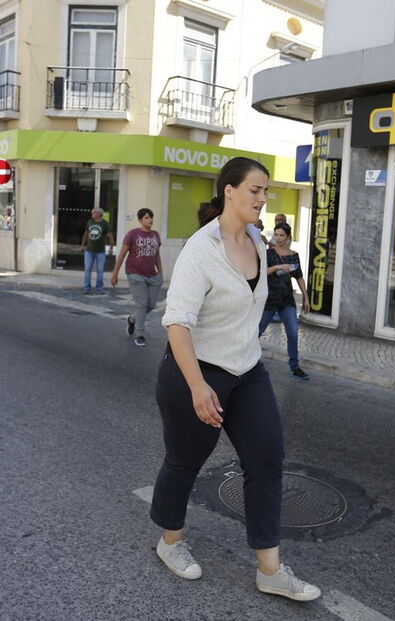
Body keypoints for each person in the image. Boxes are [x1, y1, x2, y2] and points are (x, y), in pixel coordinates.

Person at [149, 157, 321, 602]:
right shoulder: (200, 250)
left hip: (247, 371)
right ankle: (170, 541)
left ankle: (271, 569)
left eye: (266, 192)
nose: (263, 199)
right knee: (185, 462)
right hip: (197, 372)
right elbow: (177, 323)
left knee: (266, 460)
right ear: (229, 191)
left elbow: (248, 297)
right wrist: (197, 386)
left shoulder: (258, 242)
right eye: (255, 190)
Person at [259, 222, 311, 380]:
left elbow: (299, 277)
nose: (278, 238)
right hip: (269, 299)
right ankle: (248, 362)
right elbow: (262, 272)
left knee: (293, 333)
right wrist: (277, 267)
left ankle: (295, 367)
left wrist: (306, 297)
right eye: (276, 235)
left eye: (282, 235)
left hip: (287, 300)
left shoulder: (294, 255)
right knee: (257, 332)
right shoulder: (269, 253)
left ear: (288, 237)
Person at [110, 208, 163, 347]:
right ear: (140, 220)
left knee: (150, 305)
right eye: (146, 218)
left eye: (151, 217)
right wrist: (115, 273)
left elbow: (157, 255)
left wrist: (161, 273)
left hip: (152, 275)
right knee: (141, 304)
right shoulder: (132, 234)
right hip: (135, 273)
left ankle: (132, 319)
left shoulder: (156, 235)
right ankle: (140, 334)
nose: (150, 220)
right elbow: (122, 254)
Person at [80, 207, 114, 294]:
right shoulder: (90, 222)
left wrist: (111, 248)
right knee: (87, 269)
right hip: (89, 250)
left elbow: (110, 236)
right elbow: (86, 234)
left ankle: (100, 288)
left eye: (94, 213)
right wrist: (82, 245)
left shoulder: (105, 224)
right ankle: (87, 288)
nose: (92, 214)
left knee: (100, 270)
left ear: (99, 214)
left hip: (100, 251)